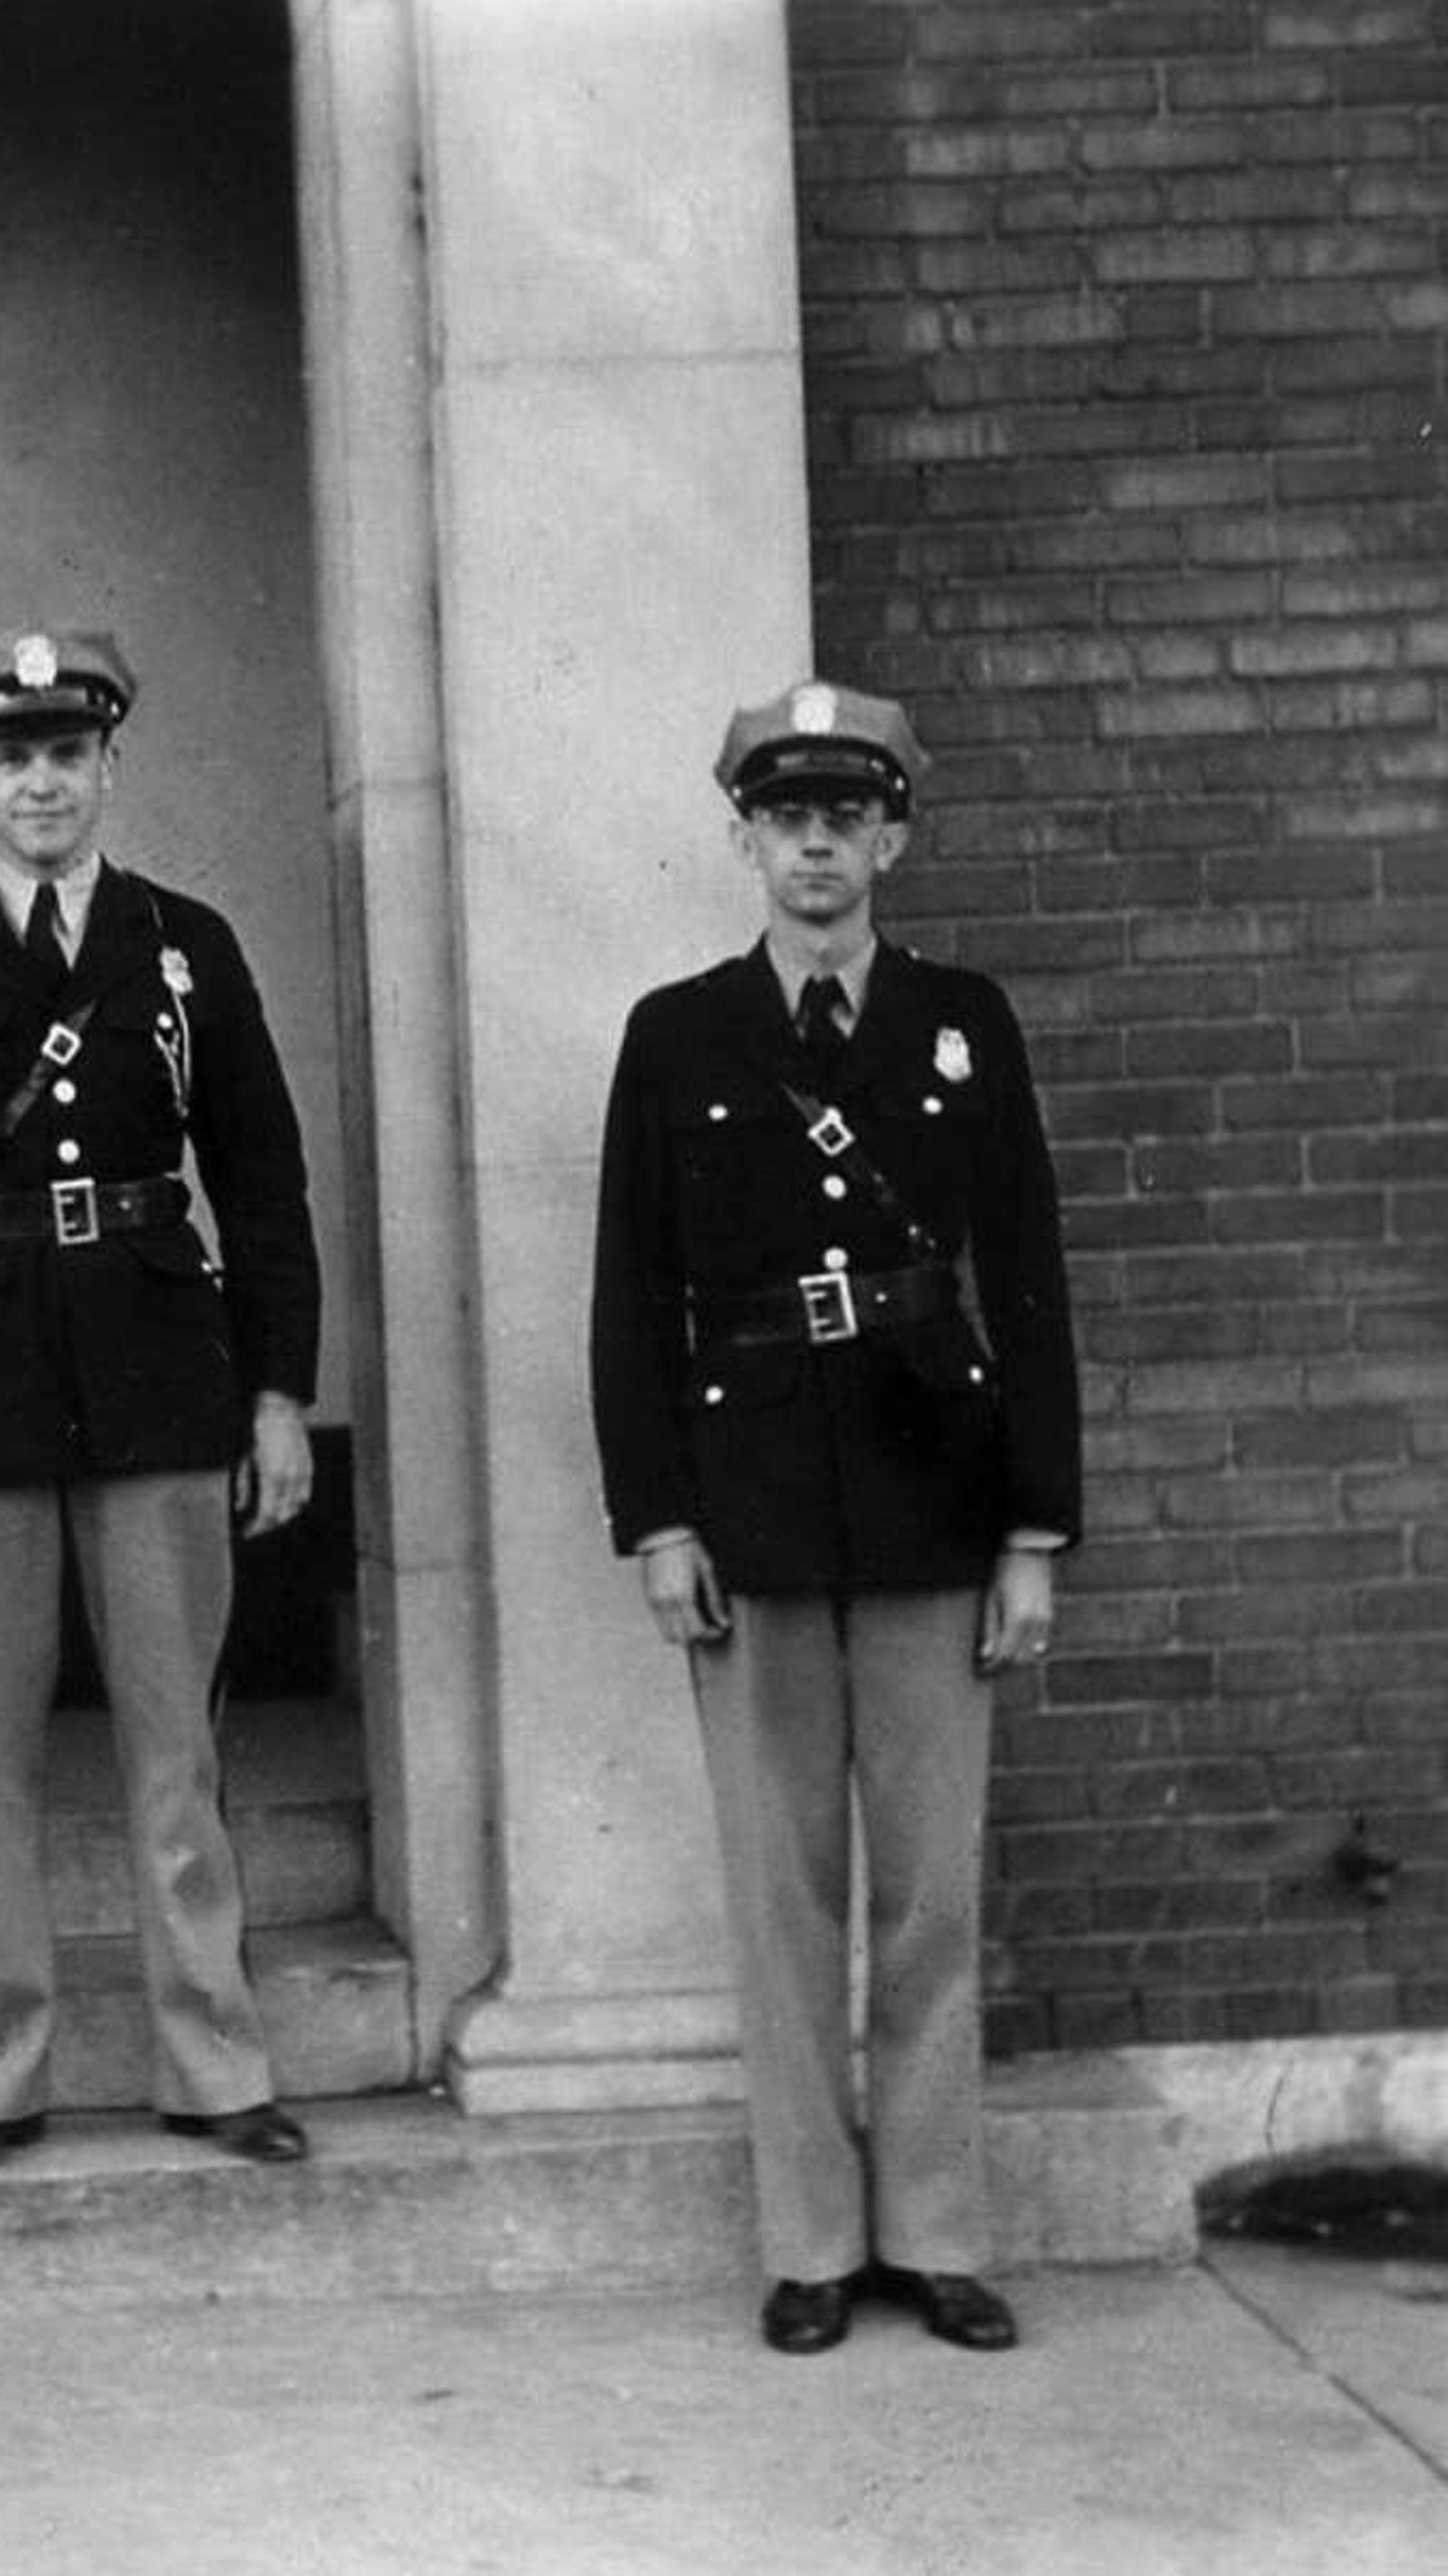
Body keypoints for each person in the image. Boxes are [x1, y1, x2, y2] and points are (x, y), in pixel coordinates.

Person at [588, 678, 1080, 2356]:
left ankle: (934, 2229)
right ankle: (808, 2241)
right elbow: (629, 1299)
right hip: (756, 1517)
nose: (816, 845)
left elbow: (1027, 1281)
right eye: (786, 818)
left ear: (893, 838)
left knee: (930, 1892)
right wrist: (658, 1519)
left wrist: (1033, 1533)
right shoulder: (678, 1035)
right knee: (782, 1892)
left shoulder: (964, 1022)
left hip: (937, 1505)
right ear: (742, 839)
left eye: (846, 817)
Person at [0, 628, 323, 2184]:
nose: (42, 781)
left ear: (107, 768)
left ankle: (214, 2062)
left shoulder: (184, 944)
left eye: (68, 754)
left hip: (165, 1379)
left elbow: (264, 1182)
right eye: (13, 757)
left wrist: (279, 1392)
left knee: (179, 1752)